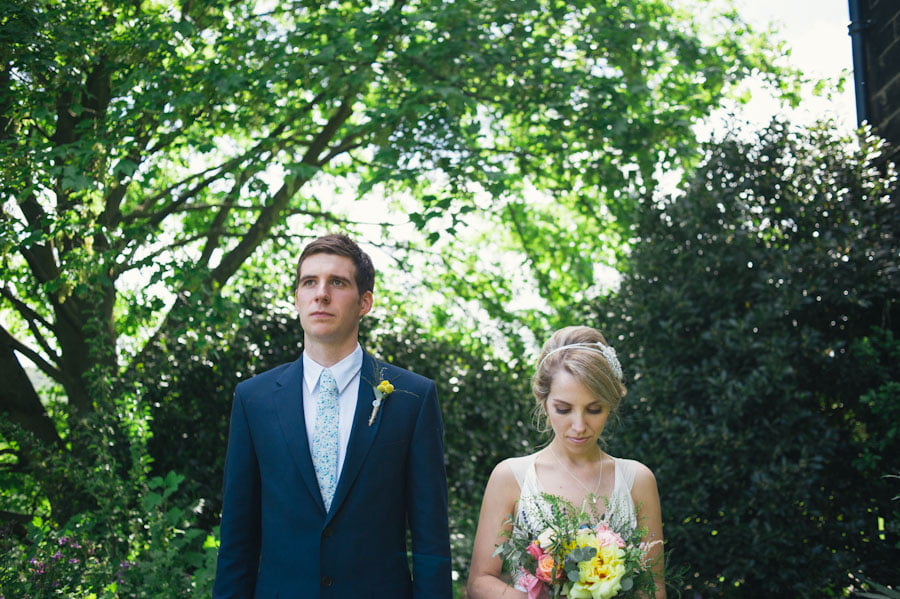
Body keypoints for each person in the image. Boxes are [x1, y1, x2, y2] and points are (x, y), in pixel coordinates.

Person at [213, 233, 452, 599]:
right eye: (309, 282)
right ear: (297, 298)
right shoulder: (254, 399)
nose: (321, 294)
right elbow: (237, 538)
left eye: (337, 283)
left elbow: (430, 538)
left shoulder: (413, 398)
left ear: (364, 302)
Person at [466, 326, 666, 599]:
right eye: (563, 409)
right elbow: (480, 582)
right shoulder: (510, 476)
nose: (579, 426)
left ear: (610, 405)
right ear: (544, 402)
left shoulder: (637, 480)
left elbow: (653, 588)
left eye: (594, 409)